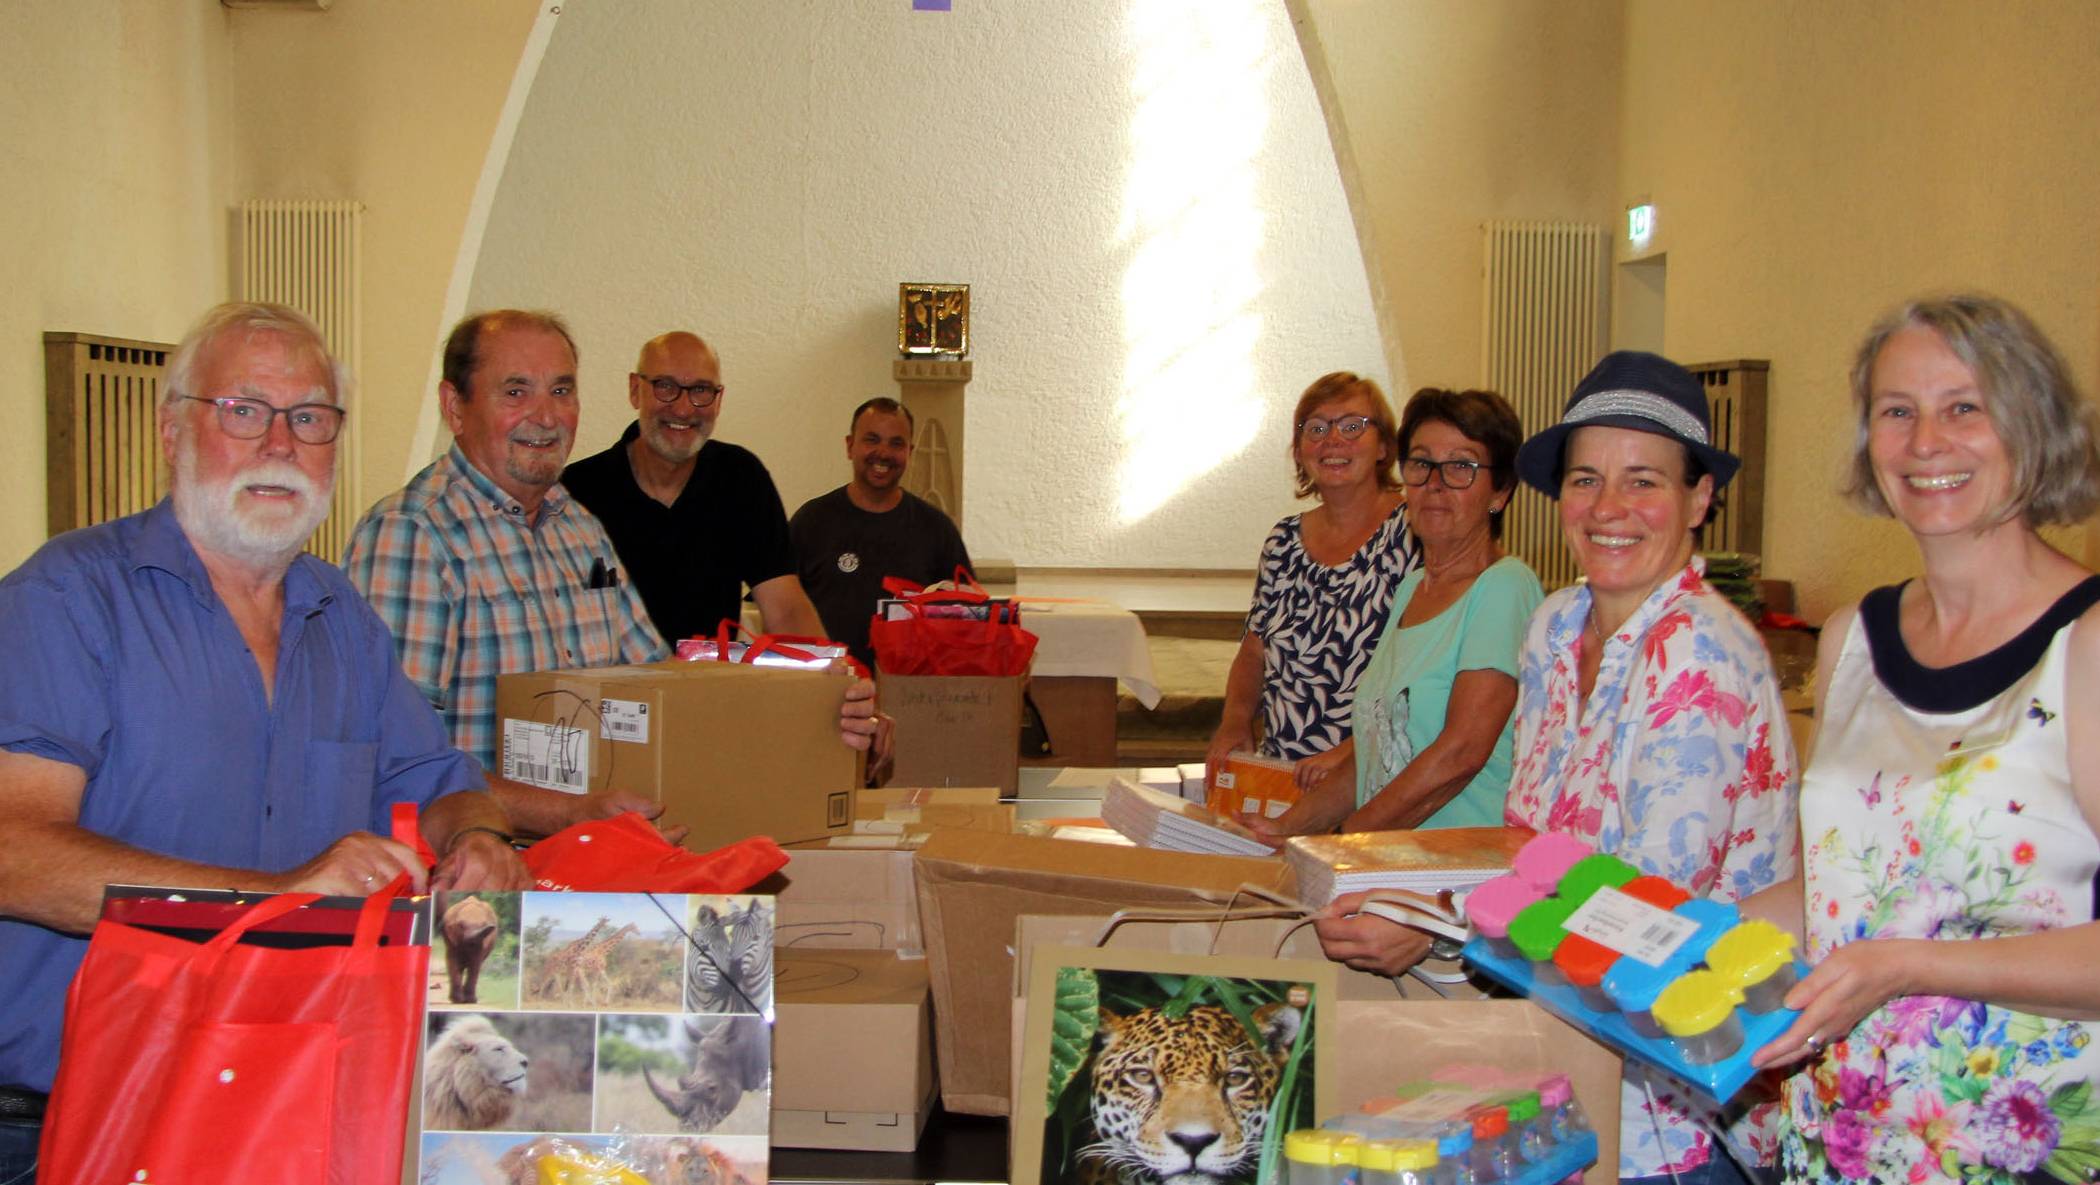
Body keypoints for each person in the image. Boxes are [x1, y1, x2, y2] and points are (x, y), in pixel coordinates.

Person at [0, 303, 533, 1177]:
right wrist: (276, 896)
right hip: (70, 1125)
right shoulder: (65, 599)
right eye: (245, 411)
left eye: (311, 418)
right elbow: (14, 850)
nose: (281, 444)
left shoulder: (343, 620)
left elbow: (438, 774)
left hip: (281, 1105)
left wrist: (479, 832)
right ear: (173, 429)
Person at [1316, 352, 1799, 1185]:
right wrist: (1406, 894)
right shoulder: (1556, 624)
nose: (1609, 509)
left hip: (1679, 1107)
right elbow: (1533, 844)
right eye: (1586, 480)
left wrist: (1431, 920)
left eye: (1643, 480)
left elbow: (1638, 915)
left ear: (1699, 498)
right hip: (1564, 1065)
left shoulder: (1701, 653)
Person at [1740, 296, 2100, 1184]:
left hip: (2016, 1148)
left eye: (1963, 407)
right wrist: (1655, 928)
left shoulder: (2085, 645)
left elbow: (1891, 945)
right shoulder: (1851, 640)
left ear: (2034, 427)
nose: (1926, 441)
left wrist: (1904, 967)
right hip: (1841, 1136)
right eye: (1897, 411)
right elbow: (1843, 884)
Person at [343, 312, 882, 800]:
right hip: (485, 873)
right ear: (454, 406)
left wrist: (821, 708)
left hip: (596, 847)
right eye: (515, 392)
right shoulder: (412, 536)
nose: (545, 415)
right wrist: (564, 817)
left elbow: (665, 689)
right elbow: (400, 763)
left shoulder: (576, 529)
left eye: (561, 390)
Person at [1253, 389, 1540, 840]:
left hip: (1458, 873)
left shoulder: (1504, 586)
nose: (1435, 484)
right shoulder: (1411, 588)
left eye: (1461, 467)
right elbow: (1374, 756)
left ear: (1500, 492)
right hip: (1390, 862)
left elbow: (1461, 753)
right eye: (1422, 464)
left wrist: (1346, 842)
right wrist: (1283, 830)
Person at [1206, 372, 1420, 789]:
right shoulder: (1283, 541)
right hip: (1284, 777)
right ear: (1300, 450)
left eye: (1353, 426)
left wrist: (1348, 754)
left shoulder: (1414, 533)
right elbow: (1254, 650)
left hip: (1373, 777)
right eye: (1316, 428)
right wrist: (1234, 721)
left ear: (1383, 446)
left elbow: (1420, 670)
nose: (1333, 440)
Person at [562, 331, 825, 644]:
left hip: (708, 686)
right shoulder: (576, 492)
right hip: (607, 688)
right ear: (635, 390)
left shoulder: (741, 478)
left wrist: (832, 681)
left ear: (719, 399)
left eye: (700, 390)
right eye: (666, 387)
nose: (684, 409)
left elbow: (786, 608)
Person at [790, 397, 973, 671]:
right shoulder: (811, 521)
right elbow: (780, 609)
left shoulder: (936, 529)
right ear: (850, 446)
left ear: (910, 452)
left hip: (911, 693)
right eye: (872, 440)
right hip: (827, 689)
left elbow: (968, 617)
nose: (883, 453)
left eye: (896, 443)